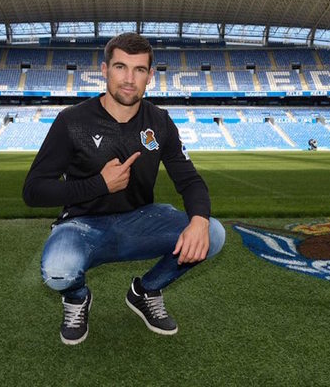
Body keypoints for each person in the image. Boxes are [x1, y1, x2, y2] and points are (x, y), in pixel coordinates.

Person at [22, 33, 225, 345]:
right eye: (120, 67)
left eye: (139, 70)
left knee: (212, 232)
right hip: (81, 225)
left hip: (141, 221)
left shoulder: (160, 122)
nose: (129, 79)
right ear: (105, 70)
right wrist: (99, 184)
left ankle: (145, 291)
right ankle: (76, 297)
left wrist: (198, 220)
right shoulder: (72, 122)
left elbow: (189, 180)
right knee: (58, 270)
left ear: (150, 76)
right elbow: (33, 191)